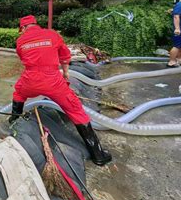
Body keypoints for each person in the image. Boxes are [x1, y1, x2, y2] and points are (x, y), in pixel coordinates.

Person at [9, 15, 112, 166]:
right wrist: (65, 73)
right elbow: (64, 56)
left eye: (21, 30)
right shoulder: (52, 35)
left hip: (30, 79)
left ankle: (14, 120)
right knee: (76, 111)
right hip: (52, 80)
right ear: (35, 24)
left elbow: (24, 57)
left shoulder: (20, 41)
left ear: (24, 28)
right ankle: (98, 155)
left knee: (18, 93)